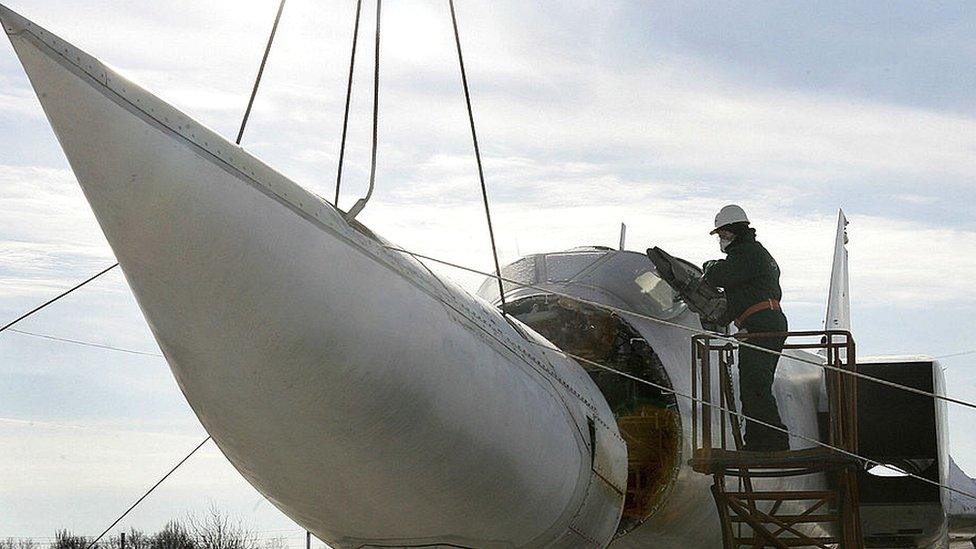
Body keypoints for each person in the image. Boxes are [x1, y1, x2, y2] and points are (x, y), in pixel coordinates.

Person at [702, 205, 790, 452]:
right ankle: (760, 440)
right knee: (754, 385)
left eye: (722, 234)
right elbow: (738, 298)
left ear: (732, 232)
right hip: (763, 322)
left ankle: (771, 442)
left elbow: (720, 274)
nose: (721, 240)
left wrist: (708, 266)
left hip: (763, 324)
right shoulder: (754, 254)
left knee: (755, 385)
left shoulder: (748, 254)